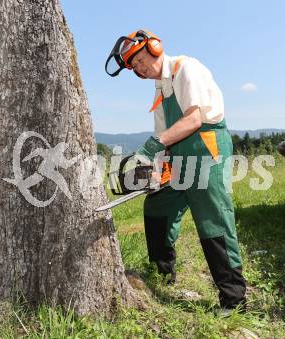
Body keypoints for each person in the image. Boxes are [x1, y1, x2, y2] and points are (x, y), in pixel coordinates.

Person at [105, 29, 246, 313]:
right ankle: (163, 273)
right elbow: (165, 139)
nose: (141, 68)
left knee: (212, 220)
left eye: (141, 60)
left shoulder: (185, 68)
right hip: (179, 154)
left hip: (206, 146)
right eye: (136, 67)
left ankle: (234, 298)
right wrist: (156, 170)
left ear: (154, 48)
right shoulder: (159, 90)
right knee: (158, 207)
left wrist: (149, 147)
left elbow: (193, 119)